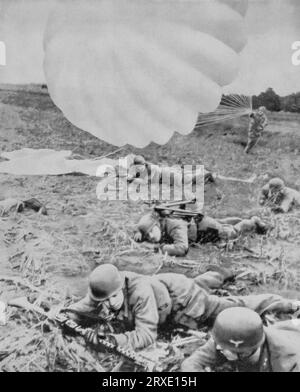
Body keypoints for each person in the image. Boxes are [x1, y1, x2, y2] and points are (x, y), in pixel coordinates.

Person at [64, 264, 300, 351]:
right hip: (167, 288)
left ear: (121, 289)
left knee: (229, 307)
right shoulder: (106, 286)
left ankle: (289, 303)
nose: (105, 306)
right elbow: (86, 305)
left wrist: (115, 341)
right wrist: (68, 316)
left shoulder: (139, 292)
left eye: (110, 300)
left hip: (186, 302)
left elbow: (146, 334)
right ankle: (218, 273)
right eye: (102, 301)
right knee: (203, 283)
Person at [181, 307, 300, 372]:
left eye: (223, 347)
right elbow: (191, 364)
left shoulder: (287, 363)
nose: (217, 347)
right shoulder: (227, 337)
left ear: (245, 352)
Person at [134, 211, 268, 256]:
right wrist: (139, 233)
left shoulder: (175, 226)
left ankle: (251, 222)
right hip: (198, 225)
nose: (150, 237)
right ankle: (237, 220)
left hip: (206, 230)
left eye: (151, 231)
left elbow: (182, 249)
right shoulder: (156, 221)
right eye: (147, 235)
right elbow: (145, 221)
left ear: (157, 224)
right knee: (221, 222)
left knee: (231, 233)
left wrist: (158, 248)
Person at [127, 155, 215, 185]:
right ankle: (201, 171)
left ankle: (207, 174)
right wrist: (132, 176)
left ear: (143, 164)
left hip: (169, 175)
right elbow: (138, 174)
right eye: (137, 167)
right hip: (168, 172)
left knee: (188, 180)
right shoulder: (144, 168)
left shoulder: (151, 168)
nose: (138, 169)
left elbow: (145, 182)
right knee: (185, 175)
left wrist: (132, 179)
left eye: (140, 167)